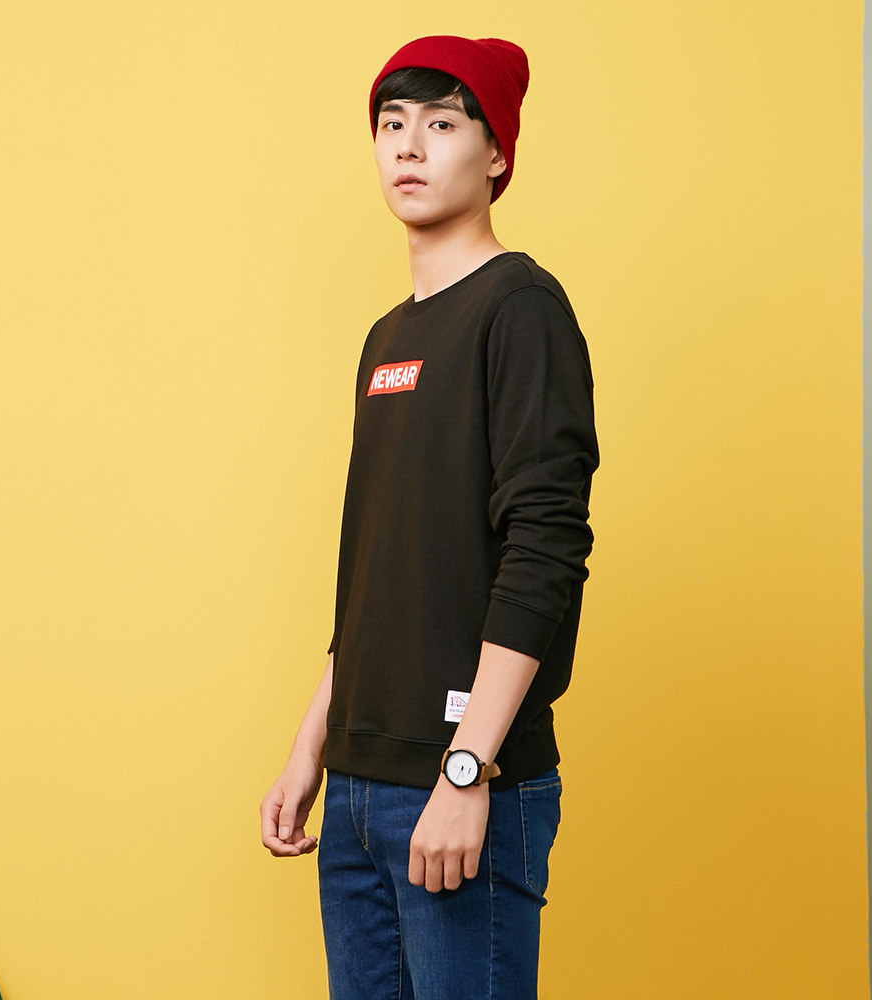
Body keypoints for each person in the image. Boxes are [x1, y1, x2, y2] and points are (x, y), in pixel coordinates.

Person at [260, 34, 599, 1000]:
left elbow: (545, 548)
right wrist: (311, 747)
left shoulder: (521, 309)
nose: (408, 146)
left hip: (463, 781)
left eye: (443, 124)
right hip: (359, 788)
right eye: (391, 124)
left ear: (496, 154)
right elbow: (382, 569)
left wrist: (466, 771)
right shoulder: (387, 340)